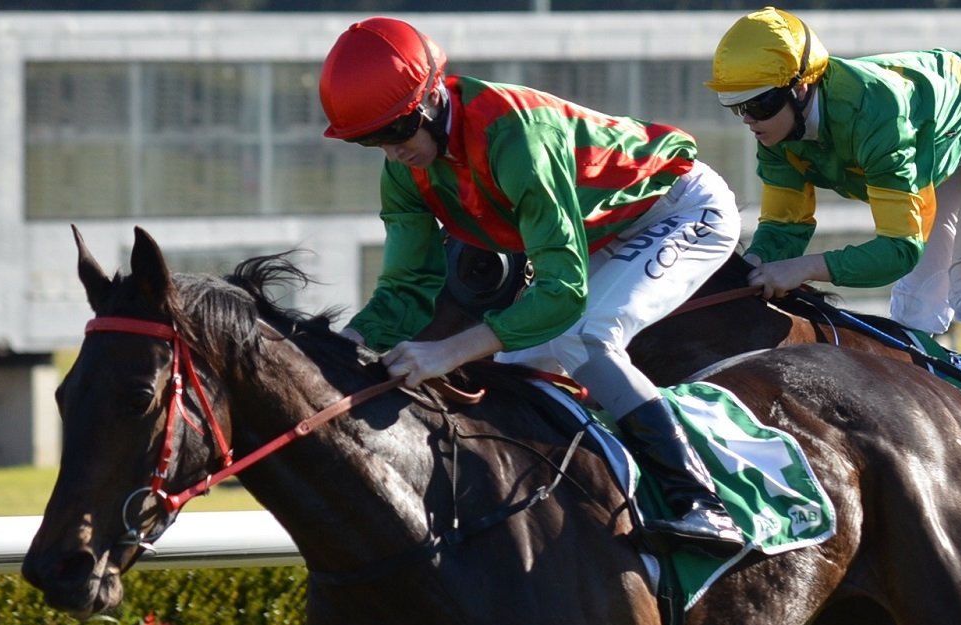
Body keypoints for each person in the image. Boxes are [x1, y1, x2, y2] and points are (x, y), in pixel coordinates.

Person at [320, 17, 747, 553]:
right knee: (515, 371)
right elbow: (409, 285)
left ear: (429, 101)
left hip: (679, 209)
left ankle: (701, 502)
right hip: (594, 232)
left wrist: (449, 350)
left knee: (588, 335)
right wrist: (346, 348)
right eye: (372, 142)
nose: (393, 153)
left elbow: (562, 296)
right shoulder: (407, 169)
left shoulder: (515, 134)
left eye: (396, 133)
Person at [707, 7, 961, 465]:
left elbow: (900, 248)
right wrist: (752, 273)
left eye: (759, 104)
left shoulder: (878, 111)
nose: (748, 119)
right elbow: (784, 228)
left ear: (800, 88)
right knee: (914, 308)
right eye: (737, 106)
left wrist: (804, 268)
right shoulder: (778, 137)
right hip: (933, 145)